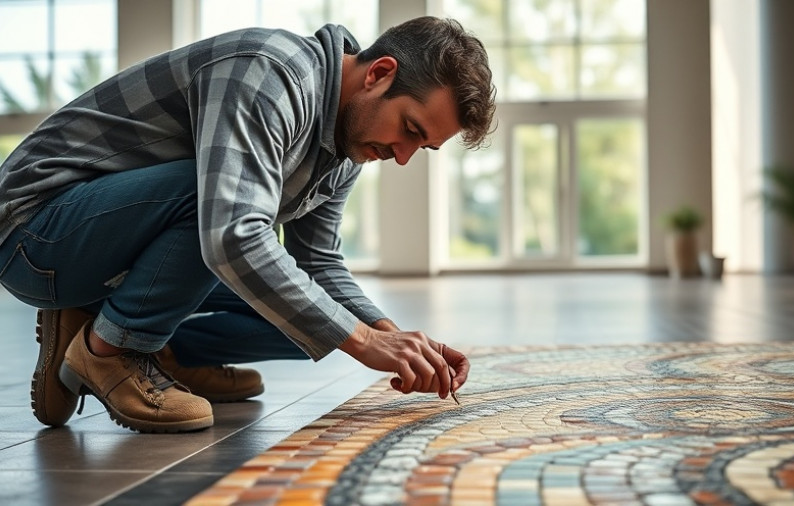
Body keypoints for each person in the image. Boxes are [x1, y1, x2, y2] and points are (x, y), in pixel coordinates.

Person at [0, 16, 495, 433]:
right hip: (35, 233)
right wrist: (365, 342)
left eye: (422, 147)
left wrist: (393, 338)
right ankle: (112, 351)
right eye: (409, 129)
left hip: (110, 248)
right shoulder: (269, 72)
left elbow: (317, 263)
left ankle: (151, 346)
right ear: (379, 74)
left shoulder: (347, 147)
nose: (403, 157)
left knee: (311, 326)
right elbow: (231, 234)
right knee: (220, 200)